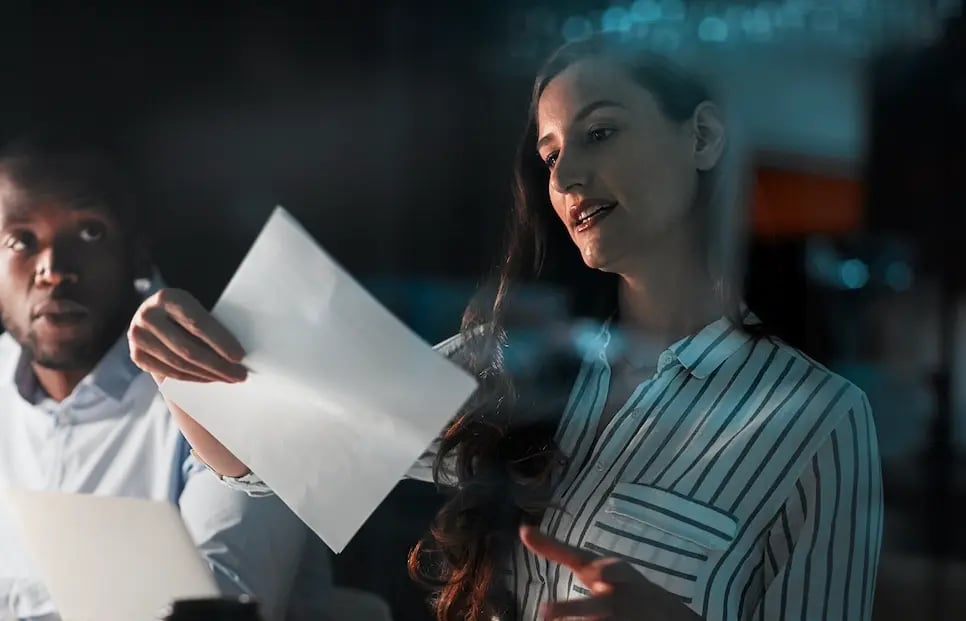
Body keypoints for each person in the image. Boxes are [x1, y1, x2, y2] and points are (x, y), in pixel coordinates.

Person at [127, 34, 883, 621]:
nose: (566, 179)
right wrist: (179, 362)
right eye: (550, 154)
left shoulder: (819, 420)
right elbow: (269, 458)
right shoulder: (506, 364)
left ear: (703, 138)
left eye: (600, 133)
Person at [0, 135, 331, 621]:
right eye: (19, 240)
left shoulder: (236, 382)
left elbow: (218, 608)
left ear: (138, 255)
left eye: (89, 232)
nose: (52, 268)